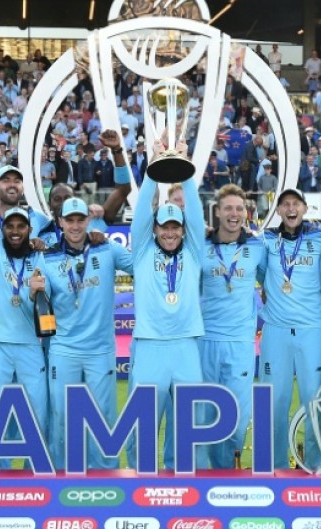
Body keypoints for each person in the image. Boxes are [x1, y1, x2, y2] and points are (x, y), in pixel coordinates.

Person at [31, 197, 133, 469]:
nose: (75, 226)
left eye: (80, 220)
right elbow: (43, 299)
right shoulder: (47, 256)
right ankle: (61, 474)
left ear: (89, 219)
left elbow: (141, 265)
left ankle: (106, 476)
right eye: (70, 220)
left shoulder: (107, 248)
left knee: (103, 416)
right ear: (61, 222)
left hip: (100, 349)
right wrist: (34, 291)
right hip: (64, 347)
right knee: (62, 415)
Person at [127, 138, 205, 470]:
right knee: (142, 425)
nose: (170, 232)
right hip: (149, 346)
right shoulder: (142, 251)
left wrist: (184, 168)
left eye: (176, 227)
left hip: (186, 343)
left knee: (188, 425)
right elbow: (142, 211)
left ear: (184, 230)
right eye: (164, 226)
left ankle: (181, 479)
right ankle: (139, 480)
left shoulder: (194, 251)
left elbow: (197, 212)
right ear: (155, 228)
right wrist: (153, 167)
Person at [0, 164, 48, 469]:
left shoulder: (40, 254)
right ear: (1, 228)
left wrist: (37, 295)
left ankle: (37, 477)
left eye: (21, 227)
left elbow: (51, 297)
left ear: (31, 230)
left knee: (37, 416)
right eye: (10, 226)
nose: (15, 231)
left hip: (30, 345)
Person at [260, 187, 321, 469]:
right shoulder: (266, 240)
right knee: (274, 401)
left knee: (315, 400)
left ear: (305, 208)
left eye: (296, 204)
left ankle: (316, 463)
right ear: (278, 210)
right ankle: (274, 464)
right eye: (285, 205)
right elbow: (260, 273)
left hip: (312, 330)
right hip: (276, 331)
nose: (291, 209)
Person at [198, 184, 267, 468]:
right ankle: (201, 475)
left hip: (240, 343)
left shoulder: (257, 247)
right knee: (203, 414)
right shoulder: (200, 246)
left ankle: (229, 472)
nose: (234, 214)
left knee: (237, 415)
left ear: (246, 213)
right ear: (217, 212)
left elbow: (273, 283)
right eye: (228, 208)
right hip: (206, 340)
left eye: (239, 208)